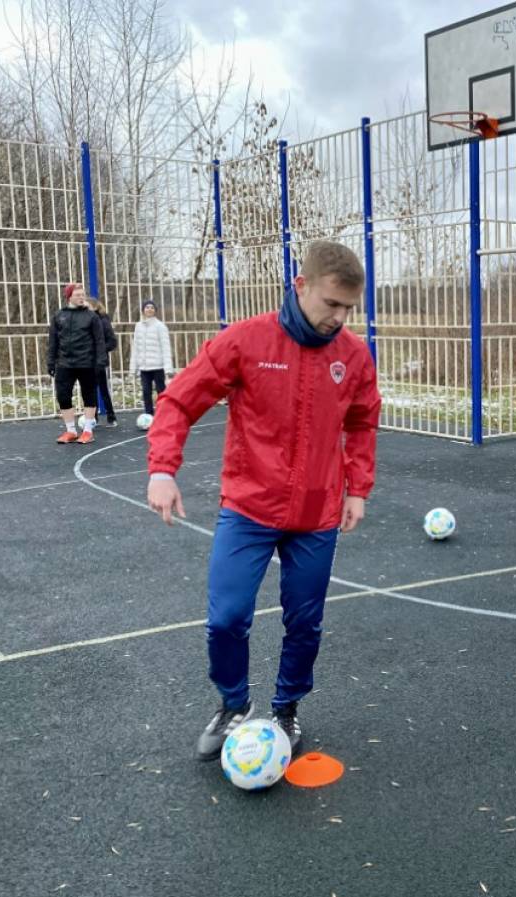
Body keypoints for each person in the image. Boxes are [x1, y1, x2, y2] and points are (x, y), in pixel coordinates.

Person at [145, 241, 381, 760]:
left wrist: (357, 489)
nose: (339, 319)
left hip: (317, 512)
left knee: (305, 620)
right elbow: (179, 400)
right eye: (330, 305)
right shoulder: (247, 341)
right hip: (249, 506)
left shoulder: (354, 356)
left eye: (348, 309)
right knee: (227, 617)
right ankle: (232, 704)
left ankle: (287, 708)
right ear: (300, 287)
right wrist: (163, 469)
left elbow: (363, 423)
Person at [47, 283, 104, 445]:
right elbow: (53, 341)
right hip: (65, 363)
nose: (81, 297)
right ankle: (71, 430)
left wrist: (100, 361)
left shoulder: (92, 316)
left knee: (89, 395)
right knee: (63, 395)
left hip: (87, 363)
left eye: (82, 294)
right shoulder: (59, 316)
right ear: (69, 297)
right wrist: (51, 361)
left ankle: (87, 430)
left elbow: (99, 341)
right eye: (77, 295)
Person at [129, 299, 173, 416]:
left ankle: (164, 414)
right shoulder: (138, 326)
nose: (149, 309)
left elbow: (166, 348)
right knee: (146, 392)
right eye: (147, 307)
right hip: (144, 367)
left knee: (161, 391)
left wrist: (168, 369)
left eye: (152, 308)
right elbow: (135, 348)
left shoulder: (160, 326)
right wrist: (133, 368)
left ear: (155, 311)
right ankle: (149, 415)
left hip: (158, 366)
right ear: (143, 310)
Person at [85, 297, 119, 426]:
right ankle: (93, 418)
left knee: (103, 389)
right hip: (86, 361)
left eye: (87, 306)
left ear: (94, 307)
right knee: (90, 390)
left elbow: (112, 342)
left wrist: (100, 349)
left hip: (98, 361)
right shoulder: (83, 320)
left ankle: (111, 416)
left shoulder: (103, 321)